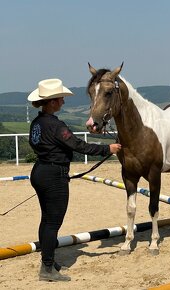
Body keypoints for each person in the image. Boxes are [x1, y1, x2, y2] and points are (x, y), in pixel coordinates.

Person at [27, 78, 121, 282]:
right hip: (54, 175)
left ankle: (48, 259)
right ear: (52, 102)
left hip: (40, 171)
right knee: (53, 223)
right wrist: (108, 149)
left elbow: (36, 144)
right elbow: (79, 146)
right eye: (60, 98)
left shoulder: (37, 123)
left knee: (46, 220)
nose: (63, 101)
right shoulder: (55, 125)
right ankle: (47, 268)